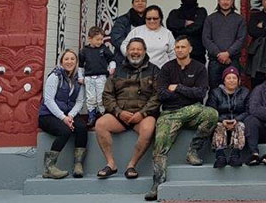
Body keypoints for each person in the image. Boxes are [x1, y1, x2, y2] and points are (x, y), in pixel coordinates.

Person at [146, 36, 217, 201]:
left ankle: (193, 151)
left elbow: (200, 93)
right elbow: (162, 94)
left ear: (190, 49)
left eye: (183, 47)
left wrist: (178, 88)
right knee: (160, 142)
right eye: (177, 47)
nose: (179, 50)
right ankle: (157, 182)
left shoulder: (199, 68)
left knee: (211, 114)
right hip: (170, 114)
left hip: (193, 112)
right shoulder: (167, 68)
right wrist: (186, 94)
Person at [96, 38, 159, 180]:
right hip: (119, 116)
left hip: (142, 116)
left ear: (144, 51)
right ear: (127, 51)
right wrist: (118, 112)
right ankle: (111, 164)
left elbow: (157, 96)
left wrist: (142, 114)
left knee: (149, 129)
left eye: (138, 49)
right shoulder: (117, 71)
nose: (135, 52)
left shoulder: (154, 70)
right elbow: (107, 95)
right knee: (100, 124)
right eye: (132, 49)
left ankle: (132, 165)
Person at [39, 49, 87, 179]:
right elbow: (48, 100)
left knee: (82, 128)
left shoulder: (79, 79)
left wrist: (70, 116)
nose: (69, 61)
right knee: (65, 131)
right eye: (66, 59)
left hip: (67, 114)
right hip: (48, 115)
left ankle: (78, 165)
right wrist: (63, 118)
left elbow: (80, 101)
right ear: (61, 61)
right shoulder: (55, 76)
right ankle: (49, 168)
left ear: (76, 62)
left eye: (73, 59)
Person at [207, 66, 251, 168]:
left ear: (238, 80)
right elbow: (211, 111)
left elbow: (248, 111)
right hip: (222, 122)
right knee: (218, 125)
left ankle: (235, 155)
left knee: (240, 125)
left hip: (237, 121)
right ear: (224, 80)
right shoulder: (215, 92)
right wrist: (222, 120)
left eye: (234, 78)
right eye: (229, 78)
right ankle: (220, 155)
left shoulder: (245, 92)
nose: (232, 80)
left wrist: (236, 120)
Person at [203, 0, 246, 87]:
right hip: (214, 61)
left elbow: (241, 39)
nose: (225, 2)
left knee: (234, 91)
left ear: (232, 1)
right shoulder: (210, 19)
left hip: (233, 61)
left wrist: (228, 53)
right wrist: (219, 54)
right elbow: (206, 39)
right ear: (218, 1)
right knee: (214, 91)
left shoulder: (240, 19)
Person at [78, 26, 116, 129]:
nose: (100, 42)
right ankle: (91, 117)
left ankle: (103, 115)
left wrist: (112, 67)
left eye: (101, 39)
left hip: (101, 76)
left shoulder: (103, 49)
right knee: (91, 98)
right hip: (89, 77)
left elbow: (112, 59)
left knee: (101, 97)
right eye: (97, 39)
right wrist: (80, 76)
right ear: (90, 38)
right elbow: (81, 65)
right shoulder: (84, 51)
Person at [121, 5, 176, 69]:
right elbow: (124, 45)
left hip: (161, 71)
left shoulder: (167, 33)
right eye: (149, 18)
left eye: (155, 18)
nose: (152, 21)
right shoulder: (136, 31)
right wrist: (131, 57)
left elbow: (173, 53)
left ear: (160, 18)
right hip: (138, 70)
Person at [165, 0, 208, 64]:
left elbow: (197, 27)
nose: (189, 0)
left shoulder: (201, 12)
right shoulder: (175, 13)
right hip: (178, 55)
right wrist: (185, 23)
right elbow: (170, 24)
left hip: (197, 54)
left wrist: (179, 30)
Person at [111, 0, 147, 64]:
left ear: (146, 4)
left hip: (147, 59)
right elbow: (116, 39)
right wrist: (133, 50)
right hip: (124, 59)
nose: (140, 3)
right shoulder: (122, 20)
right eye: (137, 1)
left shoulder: (152, 20)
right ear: (132, 4)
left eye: (143, 1)